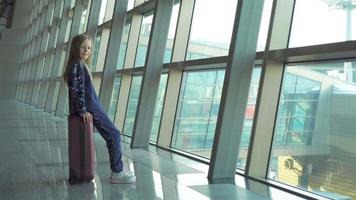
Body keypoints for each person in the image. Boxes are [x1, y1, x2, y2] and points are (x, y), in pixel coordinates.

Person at [63, 34, 136, 184]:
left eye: (89, 48)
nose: (86, 50)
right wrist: (82, 110)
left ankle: (118, 169)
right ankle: (117, 172)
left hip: (92, 107)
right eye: (83, 47)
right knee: (114, 134)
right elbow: (76, 90)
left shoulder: (80, 64)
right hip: (91, 108)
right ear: (76, 48)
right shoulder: (77, 64)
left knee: (113, 135)